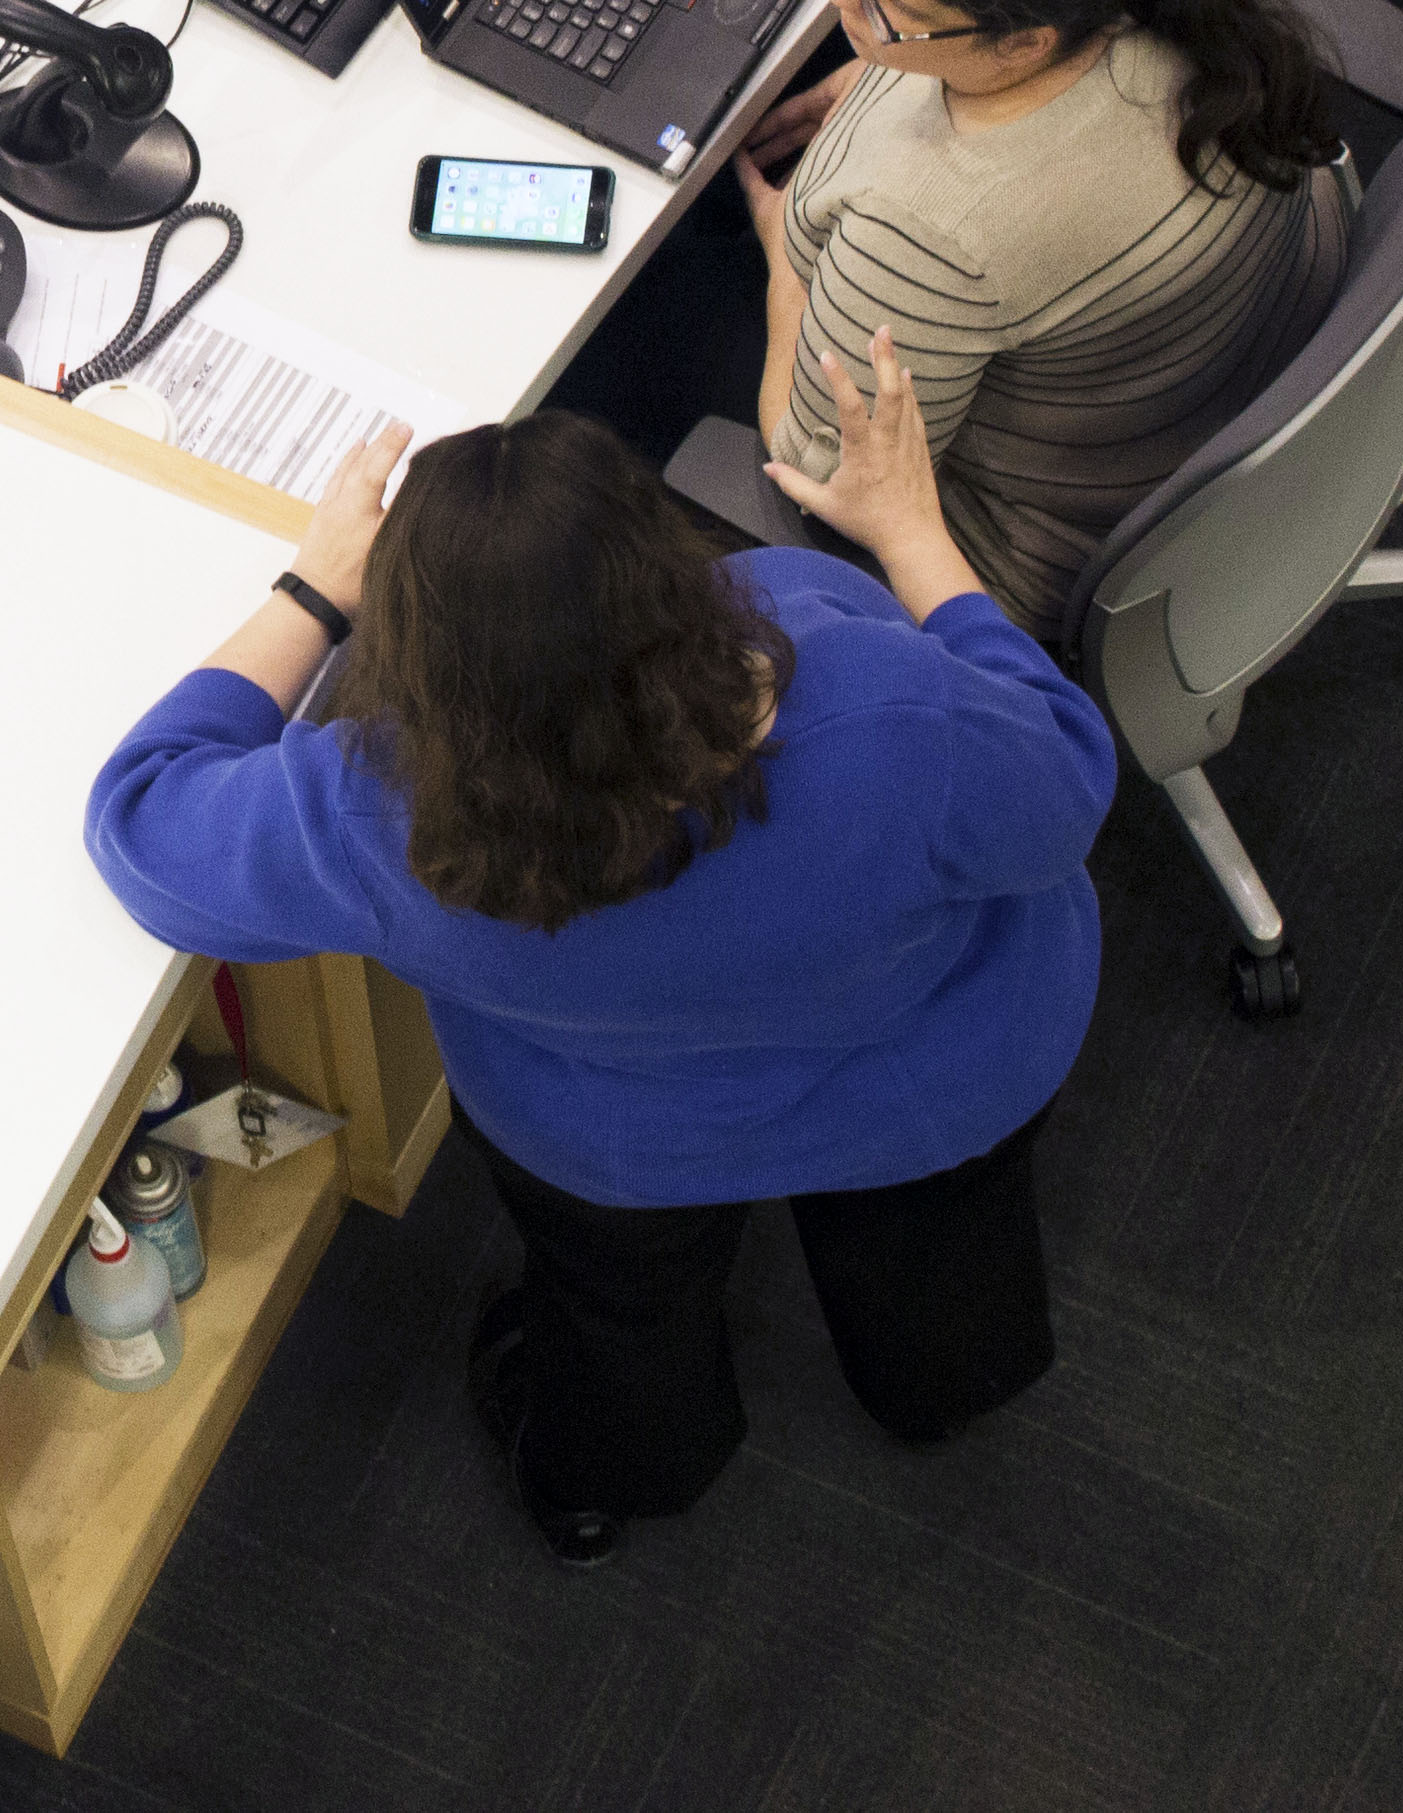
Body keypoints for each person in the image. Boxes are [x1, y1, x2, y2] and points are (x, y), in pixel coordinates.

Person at [83, 357, 1115, 1560]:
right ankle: (934, 1384)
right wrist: (913, 537)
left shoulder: (379, 810)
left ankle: (610, 1477)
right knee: (941, 1255)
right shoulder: (872, 695)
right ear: (664, 558)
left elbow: (140, 822)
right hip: (935, 1074)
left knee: (617, 1322)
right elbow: (1062, 780)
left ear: (416, 655)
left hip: (623, 1144)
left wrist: (315, 587)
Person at [732, 0, 1351, 639]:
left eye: (888, 8)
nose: (844, 0)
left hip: (1053, 536)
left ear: (1023, 42)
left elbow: (827, 473)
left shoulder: (927, 234)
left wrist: (784, 266)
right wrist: (893, 68)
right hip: (1265, 331)